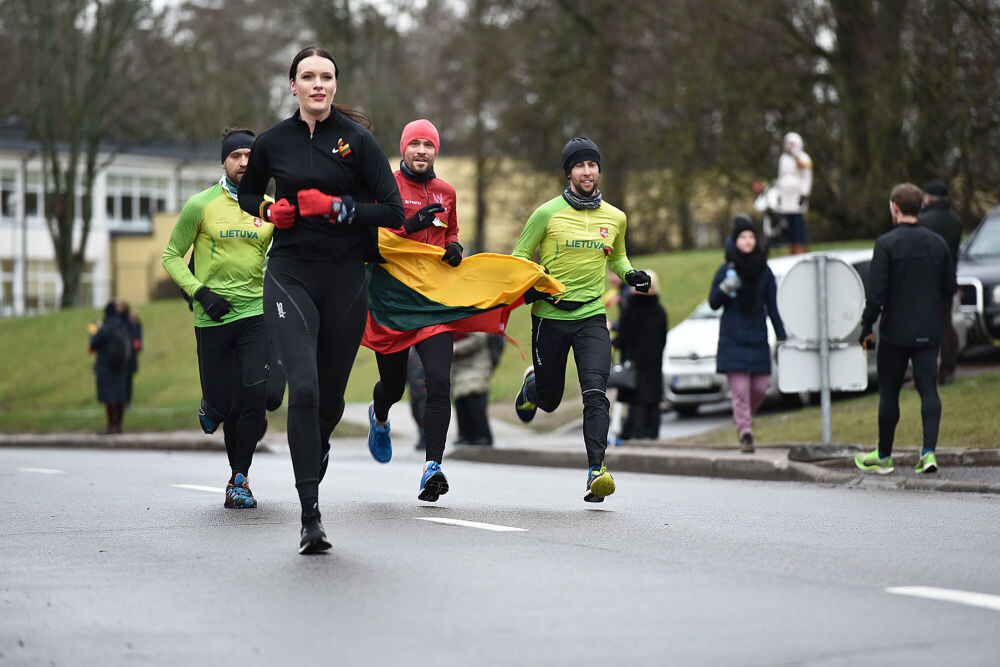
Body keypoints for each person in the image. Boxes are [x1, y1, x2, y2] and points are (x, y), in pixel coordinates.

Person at [238, 46, 404, 553]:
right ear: (292, 86)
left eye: (326, 77)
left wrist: (338, 207)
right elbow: (248, 194)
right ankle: (311, 516)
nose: (317, 84)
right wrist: (271, 211)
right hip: (290, 275)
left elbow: (393, 211)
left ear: (335, 85)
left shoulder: (357, 142)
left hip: (346, 280)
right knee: (304, 392)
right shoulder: (273, 142)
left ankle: (319, 446)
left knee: (329, 401)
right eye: (307, 76)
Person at [512, 136, 652, 502]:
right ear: (569, 172)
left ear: (599, 170)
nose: (587, 171)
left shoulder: (616, 217)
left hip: (592, 316)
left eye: (592, 165)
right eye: (580, 165)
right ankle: (533, 387)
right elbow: (519, 258)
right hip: (550, 317)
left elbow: (617, 258)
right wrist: (533, 286)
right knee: (551, 400)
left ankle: (596, 471)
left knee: (596, 393)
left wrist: (631, 274)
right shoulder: (546, 213)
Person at [162, 127, 274, 510]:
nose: (244, 162)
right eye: (236, 156)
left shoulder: (270, 208)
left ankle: (238, 479)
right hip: (212, 316)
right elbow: (171, 256)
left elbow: (281, 261)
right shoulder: (201, 204)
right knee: (225, 405)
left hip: (256, 313)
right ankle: (212, 406)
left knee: (255, 399)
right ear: (223, 161)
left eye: (249, 156)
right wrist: (200, 293)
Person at [365, 118, 462, 502]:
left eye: (428, 144)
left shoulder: (447, 192)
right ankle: (380, 414)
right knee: (393, 385)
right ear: (404, 147)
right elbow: (371, 241)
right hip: (391, 303)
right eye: (415, 143)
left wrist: (454, 248)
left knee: (439, 381)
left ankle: (432, 468)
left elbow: (450, 231)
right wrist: (408, 225)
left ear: (436, 150)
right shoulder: (384, 186)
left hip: (433, 304)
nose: (421, 150)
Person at [855, 183, 956, 476]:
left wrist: (866, 326)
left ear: (894, 208)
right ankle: (928, 453)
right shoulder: (938, 243)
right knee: (929, 390)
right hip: (928, 329)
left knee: (889, 392)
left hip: (895, 332)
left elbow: (876, 294)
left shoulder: (886, 244)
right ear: (921, 206)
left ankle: (884, 456)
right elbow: (949, 286)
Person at [708, 215, 786, 453]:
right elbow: (713, 302)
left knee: (761, 387)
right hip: (732, 339)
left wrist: (781, 335)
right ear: (735, 241)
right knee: (740, 392)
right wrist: (725, 288)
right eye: (742, 237)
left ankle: (742, 418)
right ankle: (746, 433)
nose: (748, 240)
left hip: (757, 339)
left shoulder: (765, 270)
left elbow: (772, 305)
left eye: (751, 236)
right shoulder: (726, 269)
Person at [612, 270, 667, 441]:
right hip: (654, 359)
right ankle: (652, 431)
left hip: (634, 358)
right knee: (652, 396)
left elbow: (625, 334)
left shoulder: (633, 307)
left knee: (636, 397)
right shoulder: (659, 310)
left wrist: (613, 344)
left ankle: (636, 431)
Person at [917, 178, 963, 385]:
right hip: (948, 279)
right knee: (946, 324)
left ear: (928, 198)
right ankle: (948, 367)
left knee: (924, 327)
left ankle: (926, 373)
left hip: (926, 281)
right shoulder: (955, 221)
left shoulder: (923, 221)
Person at [88, 301, 131, 434]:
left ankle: (111, 425)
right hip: (121, 367)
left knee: (109, 398)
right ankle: (118, 425)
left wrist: (93, 332)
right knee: (119, 397)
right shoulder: (122, 326)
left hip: (106, 367)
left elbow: (93, 344)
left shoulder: (105, 328)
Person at [451, 332, 495, 446]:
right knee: (460, 400)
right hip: (458, 366)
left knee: (473, 396)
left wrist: (456, 348)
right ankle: (465, 435)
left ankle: (482, 436)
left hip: (476, 364)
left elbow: (479, 339)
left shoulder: (474, 317)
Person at [775, 132, 813, 255]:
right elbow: (781, 176)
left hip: (797, 195)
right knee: (788, 223)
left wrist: (804, 193)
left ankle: (801, 247)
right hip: (786, 195)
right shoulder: (783, 159)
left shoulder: (803, 158)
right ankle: (791, 247)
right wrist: (779, 194)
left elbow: (807, 177)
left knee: (798, 223)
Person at [116, 300, 142, 407]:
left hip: (125, 357)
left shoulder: (127, 323)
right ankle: (125, 402)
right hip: (129, 356)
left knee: (125, 380)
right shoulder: (131, 322)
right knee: (126, 381)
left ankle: (124, 402)